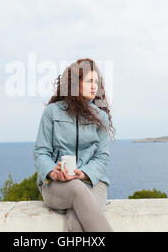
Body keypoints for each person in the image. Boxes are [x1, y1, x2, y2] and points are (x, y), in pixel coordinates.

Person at [33, 58, 116, 232]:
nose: (95, 86)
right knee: (77, 190)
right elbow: (41, 151)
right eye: (89, 81)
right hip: (57, 185)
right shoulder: (52, 112)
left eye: (97, 82)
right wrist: (51, 171)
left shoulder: (101, 117)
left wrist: (84, 173)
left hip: (94, 183)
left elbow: (102, 156)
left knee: (76, 220)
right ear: (74, 83)